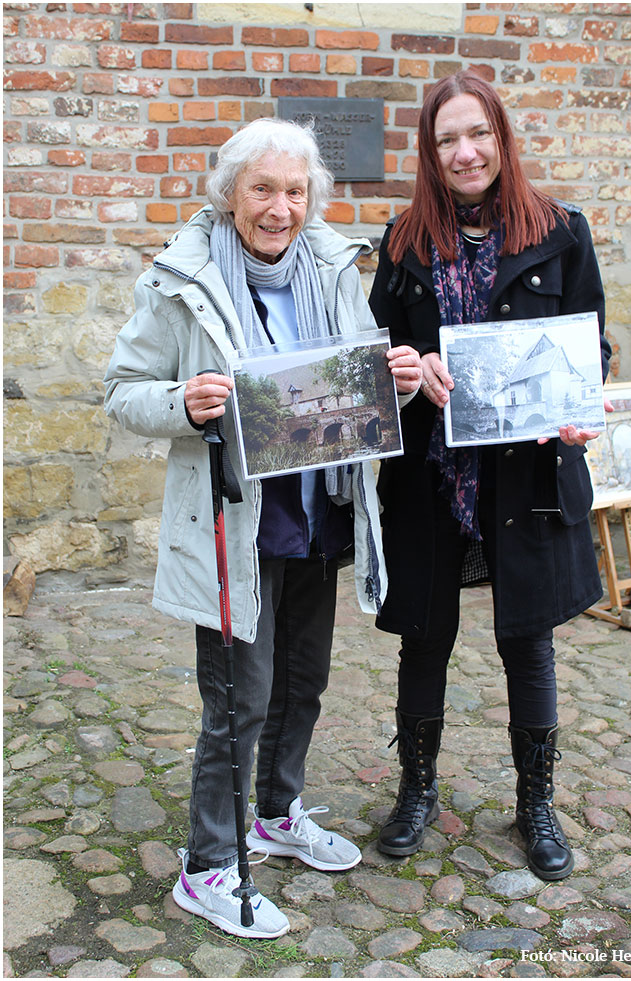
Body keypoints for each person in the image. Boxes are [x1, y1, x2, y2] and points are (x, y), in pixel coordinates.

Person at [104, 118, 422, 938]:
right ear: (230, 194)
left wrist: (401, 381)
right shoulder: (182, 279)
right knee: (237, 702)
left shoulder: (330, 264)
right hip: (236, 523)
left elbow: (360, 386)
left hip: (318, 514)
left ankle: (277, 812)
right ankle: (208, 863)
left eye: (294, 190)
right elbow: (123, 389)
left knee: (302, 684)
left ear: (311, 196)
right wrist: (185, 403)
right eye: (263, 189)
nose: (280, 207)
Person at [369, 70, 611, 881]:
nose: (465, 152)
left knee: (527, 639)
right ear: (431, 155)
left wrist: (581, 403)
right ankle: (417, 791)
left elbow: (593, 350)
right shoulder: (403, 244)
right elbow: (373, 357)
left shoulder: (562, 233)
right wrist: (408, 368)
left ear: (501, 138)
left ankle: (535, 803)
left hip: (526, 474)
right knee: (422, 637)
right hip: (430, 472)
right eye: (447, 141)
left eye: (477, 134)